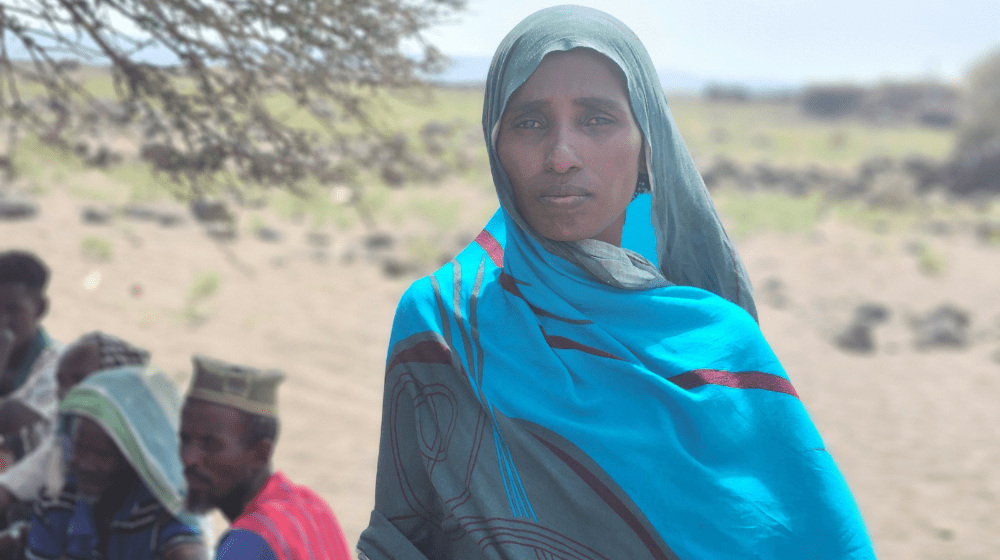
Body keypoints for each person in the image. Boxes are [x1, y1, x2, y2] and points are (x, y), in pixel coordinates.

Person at [357, 6, 876, 560]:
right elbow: (401, 531)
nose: (561, 155)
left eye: (597, 120)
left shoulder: (723, 344)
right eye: (530, 122)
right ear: (496, 144)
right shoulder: (443, 323)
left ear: (647, 144)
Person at [180, 354, 352, 560]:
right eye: (185, 439)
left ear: (260, 454)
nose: (189, 459)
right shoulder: (312, 508)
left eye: (210, 444)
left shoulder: (247, 544)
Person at [25, 365, 206, 560]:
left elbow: (189, 552)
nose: (86, 464)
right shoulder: (60, 500)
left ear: (135, 457)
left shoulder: (162, 512)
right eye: (80, 447)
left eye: (103, 454)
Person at [0, 331, 152, 527]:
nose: (66, 393)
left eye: (79, 380)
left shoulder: (144, 456)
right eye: (61, 382)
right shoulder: (65, 441)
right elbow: (13, 486)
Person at [0, 251, 62, 475]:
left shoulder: (60, 365)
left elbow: (7, 421)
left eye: (13, 310)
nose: (2, 320)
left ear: (40, 308)